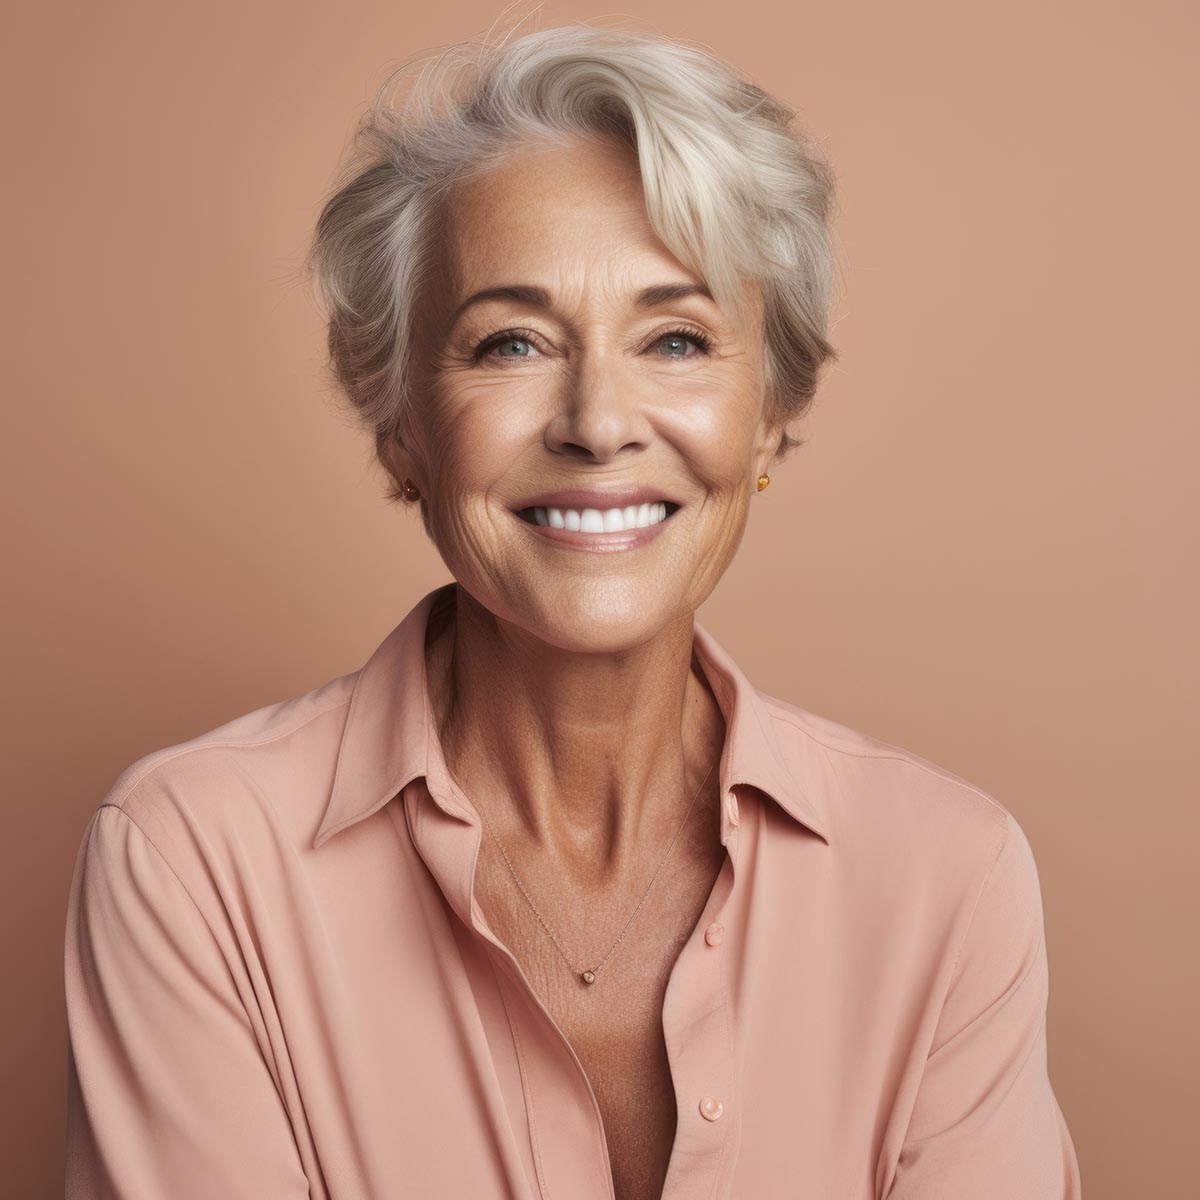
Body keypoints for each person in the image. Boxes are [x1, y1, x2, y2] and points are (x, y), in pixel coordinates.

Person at [62, 22, 1082, 1200]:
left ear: (767, 417)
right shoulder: (193, 863)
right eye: (511, 342)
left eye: (676, 339)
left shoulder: (947, 880)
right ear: (400, 426)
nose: (598, 421)